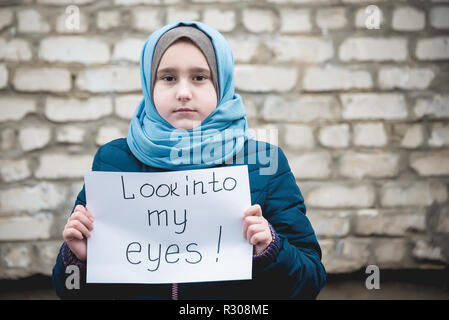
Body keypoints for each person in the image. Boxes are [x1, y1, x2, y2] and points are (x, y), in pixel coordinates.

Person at [52, 20, 326, 300]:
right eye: (168, 78)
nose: (183, 92)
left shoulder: (264, 161)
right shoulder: (113, 161)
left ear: (222, 83)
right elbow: (70, 292)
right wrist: (80, 260)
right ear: (149, 85)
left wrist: (270, 249)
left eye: (199, 77)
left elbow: (309, 282)